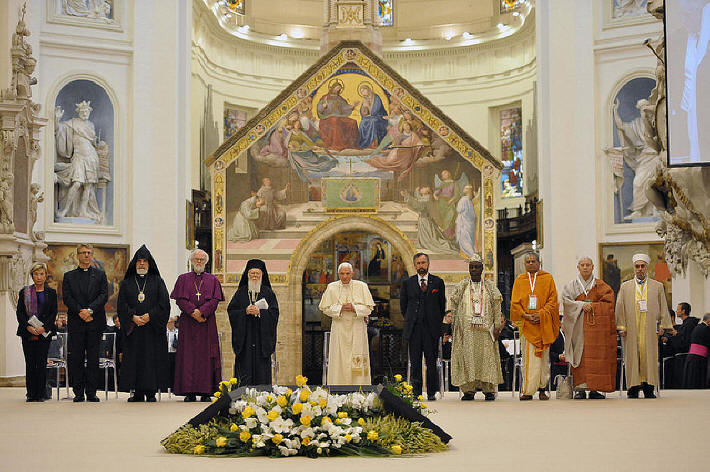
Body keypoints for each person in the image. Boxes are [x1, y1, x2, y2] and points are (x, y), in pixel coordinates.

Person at [615, 253, 673, 398]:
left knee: (650, 357)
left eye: (642, 266)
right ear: (634, 268)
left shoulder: (657, 286)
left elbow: (663, 306)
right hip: (631, 328)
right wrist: (621, 326)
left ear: (647, 267)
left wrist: (663, 326)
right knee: (632, 356)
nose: (640, 269)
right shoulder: (625, 286)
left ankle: (649, 387)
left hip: (650, 329)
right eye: (637, 266)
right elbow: (619, 307)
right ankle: (633, 388)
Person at [117, 245, 171, 402]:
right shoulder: (126, 283)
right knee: (135, 359)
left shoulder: (158, 281)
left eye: (144, 261)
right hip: (134, 329)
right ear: (135, 264)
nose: (141, 264)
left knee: (151, 359)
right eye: (139, 261)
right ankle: (138, 392)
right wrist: (133, 317)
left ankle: (151, 392)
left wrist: (150, 316)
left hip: (152, 329)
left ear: (149, 263)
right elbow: (121, 305)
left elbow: (164, 304)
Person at [446, 255, 503, 401]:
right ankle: (468, 390)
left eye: (476, 266)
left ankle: (489, 390)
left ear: (482, 268)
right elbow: (454, 305)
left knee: (487, 359)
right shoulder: (462, 286)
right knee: (467, 358)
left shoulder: (489, 286)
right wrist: (455, 326)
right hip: (467, 332)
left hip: (486, 332)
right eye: (471, 267)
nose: (473, 269)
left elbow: (497, 306)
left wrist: (497, 326)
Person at [171, 249, 224, 402]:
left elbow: (214, 300)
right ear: (191, 261)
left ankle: (206, 392)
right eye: (196, 259)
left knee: (206, 357)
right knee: (188, 356)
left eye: (201, 259)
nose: (199, 262)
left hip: (207, 323)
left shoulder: (213, 280)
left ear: (206, 262)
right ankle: (189, 392)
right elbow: (180, 299)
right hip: (188, 323)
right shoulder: (183, 279)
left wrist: (202, 312)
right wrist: (192, 312)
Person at [561, 257, 617, 399]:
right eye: (582, 265)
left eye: (588, 265)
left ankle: (595, 389)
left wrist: (593, 306)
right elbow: (566, 303)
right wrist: (580, 305)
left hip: (596, 330)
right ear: (578, 267)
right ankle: (579, 388)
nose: (585, 267)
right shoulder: (571, 286)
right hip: (578, 328)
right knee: (580, 357)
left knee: (597, 357)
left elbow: (609, 303)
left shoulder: (601, 285)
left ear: (593, 267)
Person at [510, 251, 559, 401]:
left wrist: (541, 314)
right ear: (524, 265)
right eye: (528, 262)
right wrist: (525, 315)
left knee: (543, 359)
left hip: (543, 324)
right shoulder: (520, 280)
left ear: (539, 263)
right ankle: (528, 390)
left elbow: (553, 300)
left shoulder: (547, 278)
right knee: (528, 359)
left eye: (533, 261)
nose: (531, 264)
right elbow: (514, 303)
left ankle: (543, 389)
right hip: (527, 325)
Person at [62, 243, 108, 402]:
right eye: (83, 253)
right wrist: (80, 311)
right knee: (77, 358)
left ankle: (92, 392)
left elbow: (104, 295)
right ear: (78, 255)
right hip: (76, 321)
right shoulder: (69, 276)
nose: (86, 255)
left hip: (95, 321)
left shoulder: (100, 275)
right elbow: (67, 297)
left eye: (89, 252)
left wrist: (90, 311)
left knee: (94, 358)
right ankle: (78, 392)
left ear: (92, 255)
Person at [319, 262, 374, 385]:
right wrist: (340, 309)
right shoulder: (332, 287)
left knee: (357, 359)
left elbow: (369, 309)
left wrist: (354, 308)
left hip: (357, 328)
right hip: (339, 329)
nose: (345, 276)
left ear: (352, 274)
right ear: (338, 274)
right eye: (342, 274)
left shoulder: (362, 286)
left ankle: (359, 391)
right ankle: (337, 389)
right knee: (339, 359)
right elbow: (324, 308)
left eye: (347, 273)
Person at [400, 253, 446, 400]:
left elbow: (441, 306)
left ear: (428, 264)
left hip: (431, 329)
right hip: (414, 329)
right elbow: (403, 307)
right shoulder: (408, 283)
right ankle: (416, 392)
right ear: (414, 266)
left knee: (431, 361)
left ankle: (432, 392)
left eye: (423, 262)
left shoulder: (437, 282)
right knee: (415, 361)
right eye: (418, 263)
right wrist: (411, 319)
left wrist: (436, 322)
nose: (421, 265)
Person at [227, 259, 279, 386]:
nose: (255, 276)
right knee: (244, 370)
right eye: (252, 274)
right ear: (247, 275)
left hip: (262, 341)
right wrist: (245, 311)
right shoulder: (240, 292)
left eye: (257, 274)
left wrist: (260, 313)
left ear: (262, 275)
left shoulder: (268, 292)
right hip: (245, 340)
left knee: (262, 371)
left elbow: (274, 313)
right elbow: (231, 311)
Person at [54, 100, 107, 221]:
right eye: (82, 111)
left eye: (87, 111)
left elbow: (93, 141)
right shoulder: (72, 123)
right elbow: (60, 130)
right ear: (78, 112)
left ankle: (83, 211)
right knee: (77, 183)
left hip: (92, 158)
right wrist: (57, 119)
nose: (85, 113)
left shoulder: (91, 125)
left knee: (88, 186)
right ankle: (64, 210)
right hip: (79, 157)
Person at [16, 263, 57, 402]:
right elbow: (20, 313)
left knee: (41, 363)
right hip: (28, 332)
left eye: (41, 274)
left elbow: (53, 314)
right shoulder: (25, 292)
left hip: (43, 333)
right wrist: (28, 327)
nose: (39, 277)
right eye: (36, 274)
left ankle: (40, 393)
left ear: (45, 276)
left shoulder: (51, 293)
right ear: (32, 276)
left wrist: (44, 327)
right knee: (30, 363)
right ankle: (30, 393)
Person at [316, 79, 360, 150]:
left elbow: (344, 108)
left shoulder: (340, 98)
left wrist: (352, 106)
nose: (337, 90)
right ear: (333, 88)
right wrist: (323, 106)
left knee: (353, 122)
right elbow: (319, 109)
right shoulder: (325, 97)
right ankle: (337, 144)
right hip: (327, 118)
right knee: (335, 120)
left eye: (339, 89)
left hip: (339, 117)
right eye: (336, 88)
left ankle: (352, 144)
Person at [356, 83, 388, 149]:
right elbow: (363, 114)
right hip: (370, 117)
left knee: (373, 122)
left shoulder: (376, 97)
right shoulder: (365, 99)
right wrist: (364, 107)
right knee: (362, 122)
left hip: (380, 117)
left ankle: (374, 143)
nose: (363, 93)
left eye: (364, 90)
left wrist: (368, 105)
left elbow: (376, 110)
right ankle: (365, 143)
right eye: (361, 92)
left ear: (368, 89)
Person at [682, 314, 710, 388]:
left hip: (692, 356)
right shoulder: (706, 329)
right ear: (709, 321)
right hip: (699, 357)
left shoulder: (698, 327)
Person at [166, 317, 178, 390]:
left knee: (174, 371)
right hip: (166, 354)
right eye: (168, 323)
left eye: (171, 322)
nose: (170, 324)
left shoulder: (177, 332)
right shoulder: (164, 332)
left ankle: (173, 387)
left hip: (175, 354)